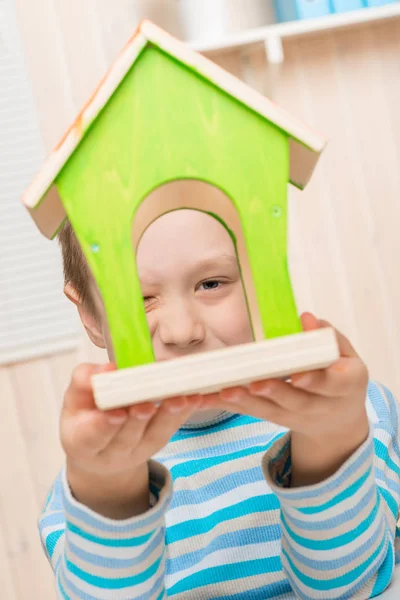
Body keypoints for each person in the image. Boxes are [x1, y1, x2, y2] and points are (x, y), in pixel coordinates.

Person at [40, 209, 400, 599]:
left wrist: (329, 445)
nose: (183, 331)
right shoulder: (84, 494)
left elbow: (348, 588)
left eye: (211, 283)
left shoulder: (355, 415)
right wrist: (110, 493)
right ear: (91, 315)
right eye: (139, 299)